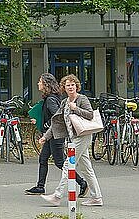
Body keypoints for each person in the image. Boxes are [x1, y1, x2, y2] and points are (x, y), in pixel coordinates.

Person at [39, 74, 103, 207]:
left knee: (68, 165)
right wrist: (46, 136)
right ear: (64, 88)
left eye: (72, 85)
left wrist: (76, 109)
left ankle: (57, 196)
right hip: (73, 138)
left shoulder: (82, 99)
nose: (70, 87)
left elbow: (90, 114)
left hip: (83, 136)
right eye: (67, 85)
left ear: (77, 86)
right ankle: (96, 197)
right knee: (87, 169)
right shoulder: (64, 102)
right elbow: (56, 122)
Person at [25, 73, 88, 197]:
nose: (38, 83)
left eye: (40, 81)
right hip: (52, 134)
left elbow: (57, 117)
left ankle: (82, 182)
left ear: (46, 84)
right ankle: (40, 186)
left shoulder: (50, 99)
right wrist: (39, 121)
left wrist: (46, 127)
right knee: (43, 159)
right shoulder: (51, 98)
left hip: (56, 135)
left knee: (60, 162)